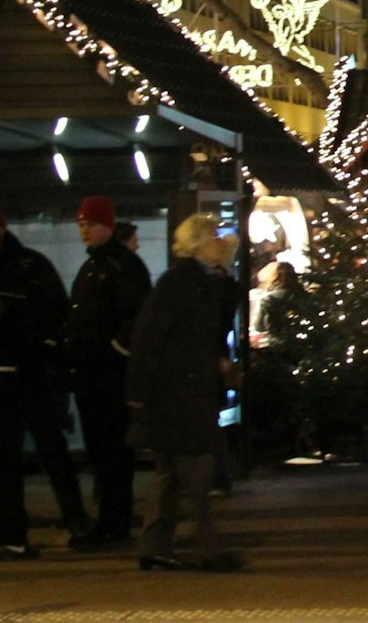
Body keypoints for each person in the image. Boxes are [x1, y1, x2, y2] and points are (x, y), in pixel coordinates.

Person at [127, 214, 243, 572]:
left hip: (180, 390)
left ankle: (155, 546)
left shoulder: (198, 282)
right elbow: (149, 337)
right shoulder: (182, 283)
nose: (219, 242)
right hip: (181, 393)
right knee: (197, 471)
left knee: (171, 474)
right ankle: (207, 548)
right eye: (213, 237)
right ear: (197, 242)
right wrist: (138, 390)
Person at [0, 207, 71, 560]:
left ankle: (8, 535)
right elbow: (53, 318)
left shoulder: (23, 268)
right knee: (6, 464)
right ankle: (10, 537)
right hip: (12, 379)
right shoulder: (26, 268)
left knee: (3, 463)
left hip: (2, 377)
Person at [64, 195, 153, 550]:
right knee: (101, 451)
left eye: (89, 224)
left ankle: (113, 522)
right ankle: (110, 519)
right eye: (81, 225)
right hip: (91, 372)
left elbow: (135, 320)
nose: (83, 231)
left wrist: (113, 352)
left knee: (113, 451)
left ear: (106, 226)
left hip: (108, 375)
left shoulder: (121, 267)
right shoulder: (97, 267)